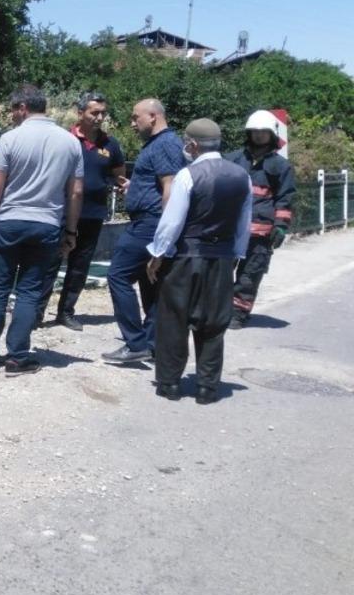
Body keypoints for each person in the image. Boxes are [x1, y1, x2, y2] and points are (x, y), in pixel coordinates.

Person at [0, 85, 84, 374]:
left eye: (13, 109)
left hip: (9, 222)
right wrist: (71, 232)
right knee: (29, 292)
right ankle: (17, 358)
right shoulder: (71, 143)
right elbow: (75, 192)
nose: (12, 115)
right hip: (47, 224)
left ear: (23, 108)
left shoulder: (10, 139)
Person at [145, 119, 252, 403]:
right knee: (214, 324)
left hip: (186, 257)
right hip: (222, 257)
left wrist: (158, 254)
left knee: (174, 319)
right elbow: (244, 223)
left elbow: (172, 221)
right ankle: (207, 387)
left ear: (192, 144)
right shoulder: (242, 176)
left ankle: (169, 383)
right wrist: (236, 255)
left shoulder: (188, 175)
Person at [102, 99, 186, 364]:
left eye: (135, 117)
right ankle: (152, 343)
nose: (132, 122)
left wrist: (164, 233)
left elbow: (170, 187)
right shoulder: (159, 143)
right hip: (149, 222)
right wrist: (135, 186)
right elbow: (157, 184)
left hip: (150, 224)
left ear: (152, 116)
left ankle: (135, 343)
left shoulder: (165, 144)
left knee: (118, 275)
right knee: (150, 282)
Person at [38, 92, 127, 331]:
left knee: (80, 265)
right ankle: (36, 312)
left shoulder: (110, 144)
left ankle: (66, 312)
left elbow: (119, 175)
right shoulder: (64, 140)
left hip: (93, 214)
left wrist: (120, 186)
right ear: (80, 113)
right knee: (50, 263)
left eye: (103, 113)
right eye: (94, 112)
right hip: (61, 212)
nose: (99, 118)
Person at [226, 110, 296, 329]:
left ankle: (238, 314)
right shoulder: (232, 159)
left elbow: (285, 198)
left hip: (260, 233)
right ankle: (218, 310)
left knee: (250, 275)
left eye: (263, 132)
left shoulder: (281, 166)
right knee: (219, 272)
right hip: (230, 230)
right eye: (254, 131)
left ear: (271, 134)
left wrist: (281, 226)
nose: (258, 135)